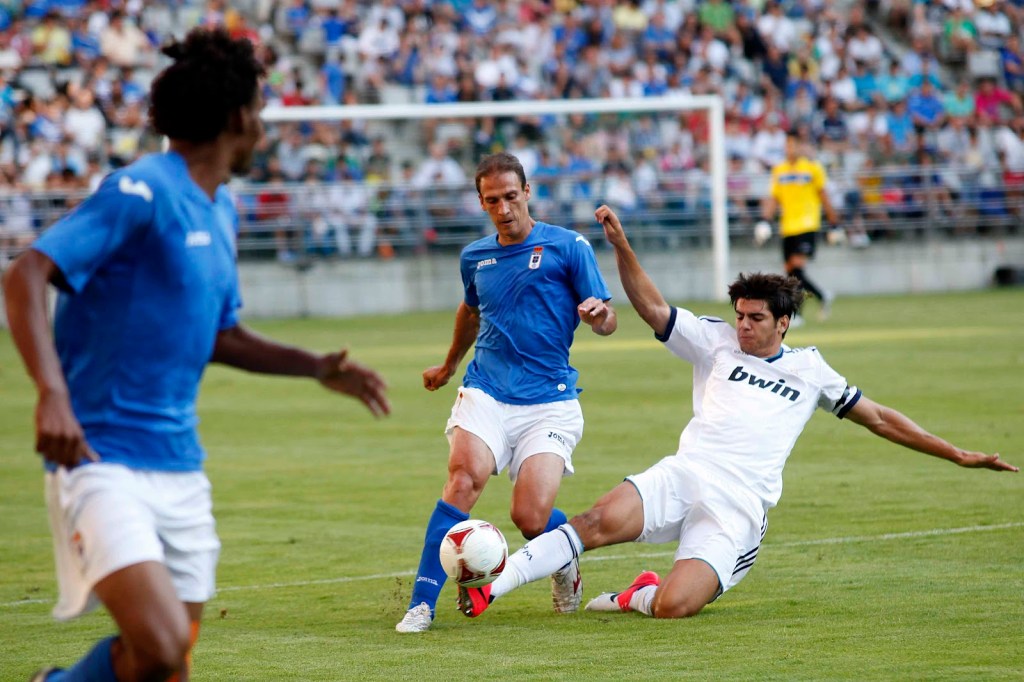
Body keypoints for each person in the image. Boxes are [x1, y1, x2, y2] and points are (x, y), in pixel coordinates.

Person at [3, 29, 391, 682]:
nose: (265, 125)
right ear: (240, 117)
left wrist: (315, 365)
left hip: (181, 467)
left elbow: (219, 336)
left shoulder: (221, 213)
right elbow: (25, 274)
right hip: (102, 458)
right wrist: (52, 393)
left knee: (163, 665)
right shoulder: (141, 191)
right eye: (262, 111)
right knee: (156, 645)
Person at [456, 204, 1016, 623]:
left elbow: (882, 419)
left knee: (675, 607)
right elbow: (652, 307)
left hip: (739, 506)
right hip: (686, 472)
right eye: (740, 315)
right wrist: (621, 244)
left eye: (755, 318)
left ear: (783, 323)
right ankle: (493, 584)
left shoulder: (812, 370)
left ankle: (634, 595)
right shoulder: (715, 341)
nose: (743, 325)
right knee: (594, 522)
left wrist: (957, 454)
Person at [395, 152, 618, 633]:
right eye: (492, 200)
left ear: (528, 193)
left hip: (550, 402)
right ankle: (422, 603)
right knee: (462, 481)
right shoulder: (475, 256)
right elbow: (470, 311)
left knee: (530, 517)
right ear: (481, 201)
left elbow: (608, 319)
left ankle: (563, 556)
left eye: (511, 197)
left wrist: (600, 317)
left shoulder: (569, 246)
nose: (503, 209)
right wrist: (450, 364)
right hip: (487, 391)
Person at [759, 130, 840, 323]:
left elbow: (824, 196)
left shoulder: (812, 169)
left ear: (800, 146)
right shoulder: (780, 170)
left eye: (793, 144)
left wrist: (834, 222)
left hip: (807, 224)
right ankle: (821, 296)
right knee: (790, 271)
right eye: (787, 145)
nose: (790, 149)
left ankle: (797, 313)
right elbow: (774, 198)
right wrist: (765, 220)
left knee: (796, 267)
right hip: (787, 227)